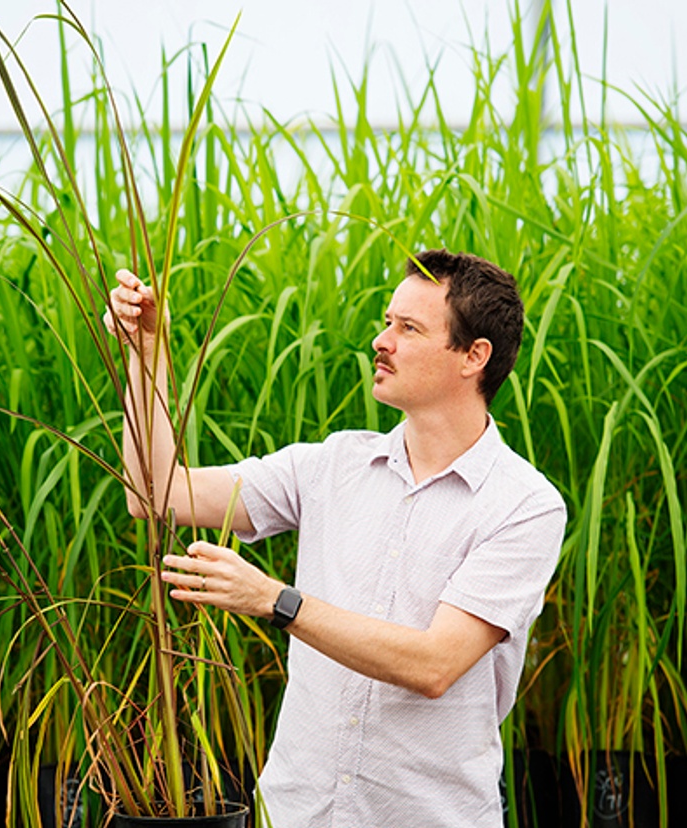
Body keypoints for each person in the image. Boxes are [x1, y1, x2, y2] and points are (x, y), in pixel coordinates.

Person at [103, 249, 567, 828]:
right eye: (387, 321)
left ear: (474, 356)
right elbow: (159, 492)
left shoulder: (524, 505)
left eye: (408, 328)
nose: (382, 340)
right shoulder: (332, 465)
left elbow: (435, 665)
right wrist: (146, 354)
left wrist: (276, 601)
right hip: (295, 813)